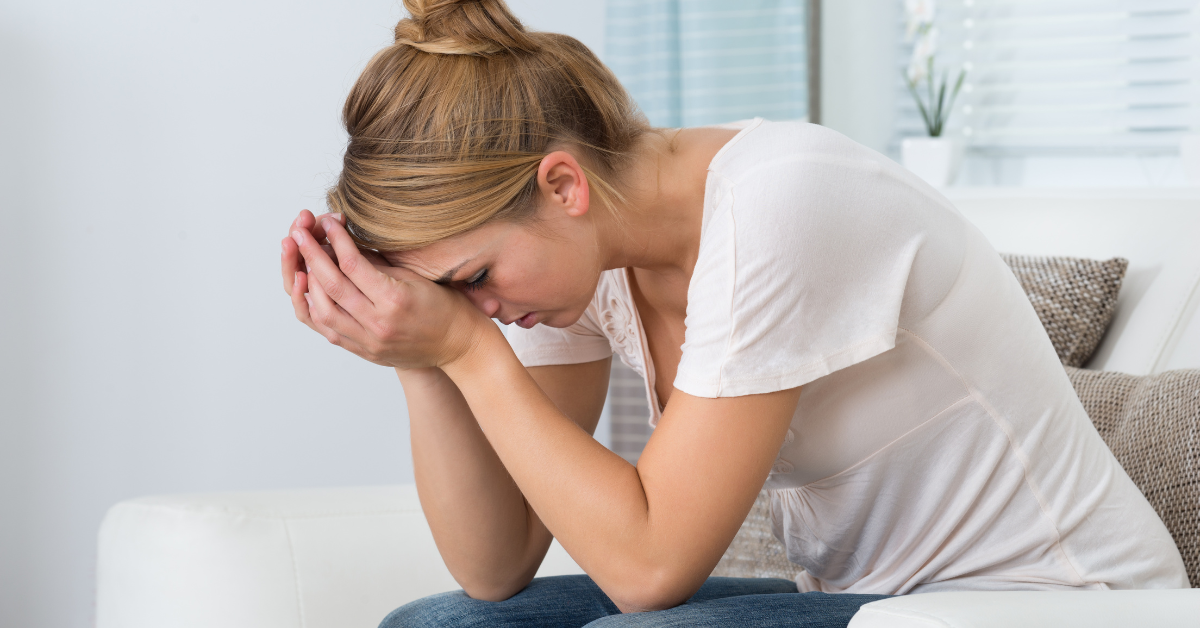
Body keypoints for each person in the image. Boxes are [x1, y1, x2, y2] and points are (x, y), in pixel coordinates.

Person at [280, 1, 1190, 626]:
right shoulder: (579, 258)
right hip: (876, 607)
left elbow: (647, 569)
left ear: (561, 185)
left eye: (474, 276)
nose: (480, 308)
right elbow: (495, 564)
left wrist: (469, 354)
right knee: (444, 624)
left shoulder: (780, 200)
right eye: (454, 294)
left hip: (1049, 603)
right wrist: (417, 354)